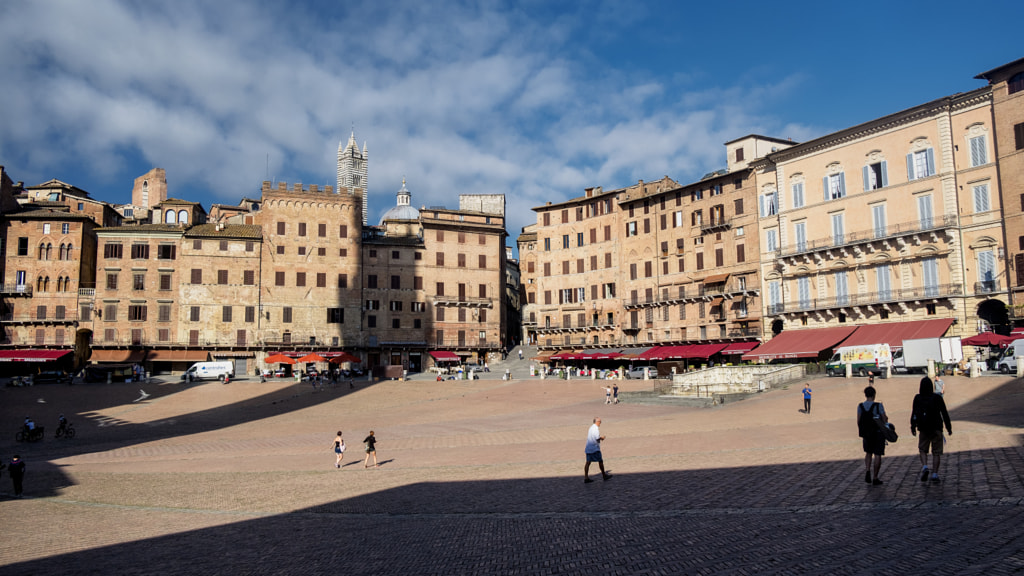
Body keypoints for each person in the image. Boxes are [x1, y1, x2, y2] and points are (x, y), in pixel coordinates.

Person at [911, 377, 953, 483]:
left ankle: (925, 466)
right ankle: (934, 474)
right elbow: (944, 413)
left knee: (922, 449)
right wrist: (948, 427)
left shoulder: (918, 398)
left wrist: (913, 426)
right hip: (936, 427)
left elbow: (914, 413)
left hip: (923, 428)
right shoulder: (937, 398)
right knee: (936, 452)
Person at [857, 385, 887, 485]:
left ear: (865, 395)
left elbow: (858, 420)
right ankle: (875, 477)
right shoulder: (878, 406)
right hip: (877, 433)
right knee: (878, 454)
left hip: (866, 433)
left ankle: (867, 470)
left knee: (868, 453)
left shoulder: (860, 406)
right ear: (874, 395)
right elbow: (884, 419)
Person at [584, 417, 611, 483]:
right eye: (600, 422)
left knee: (588, 462)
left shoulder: (591, 428)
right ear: (597, 422)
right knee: (600, 461)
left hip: (588, 448)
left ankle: (586, 477)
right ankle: (604, 475)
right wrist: (602, 438)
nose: (600, 423)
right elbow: (597, 438)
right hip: (594, 448)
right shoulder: (596, 429)